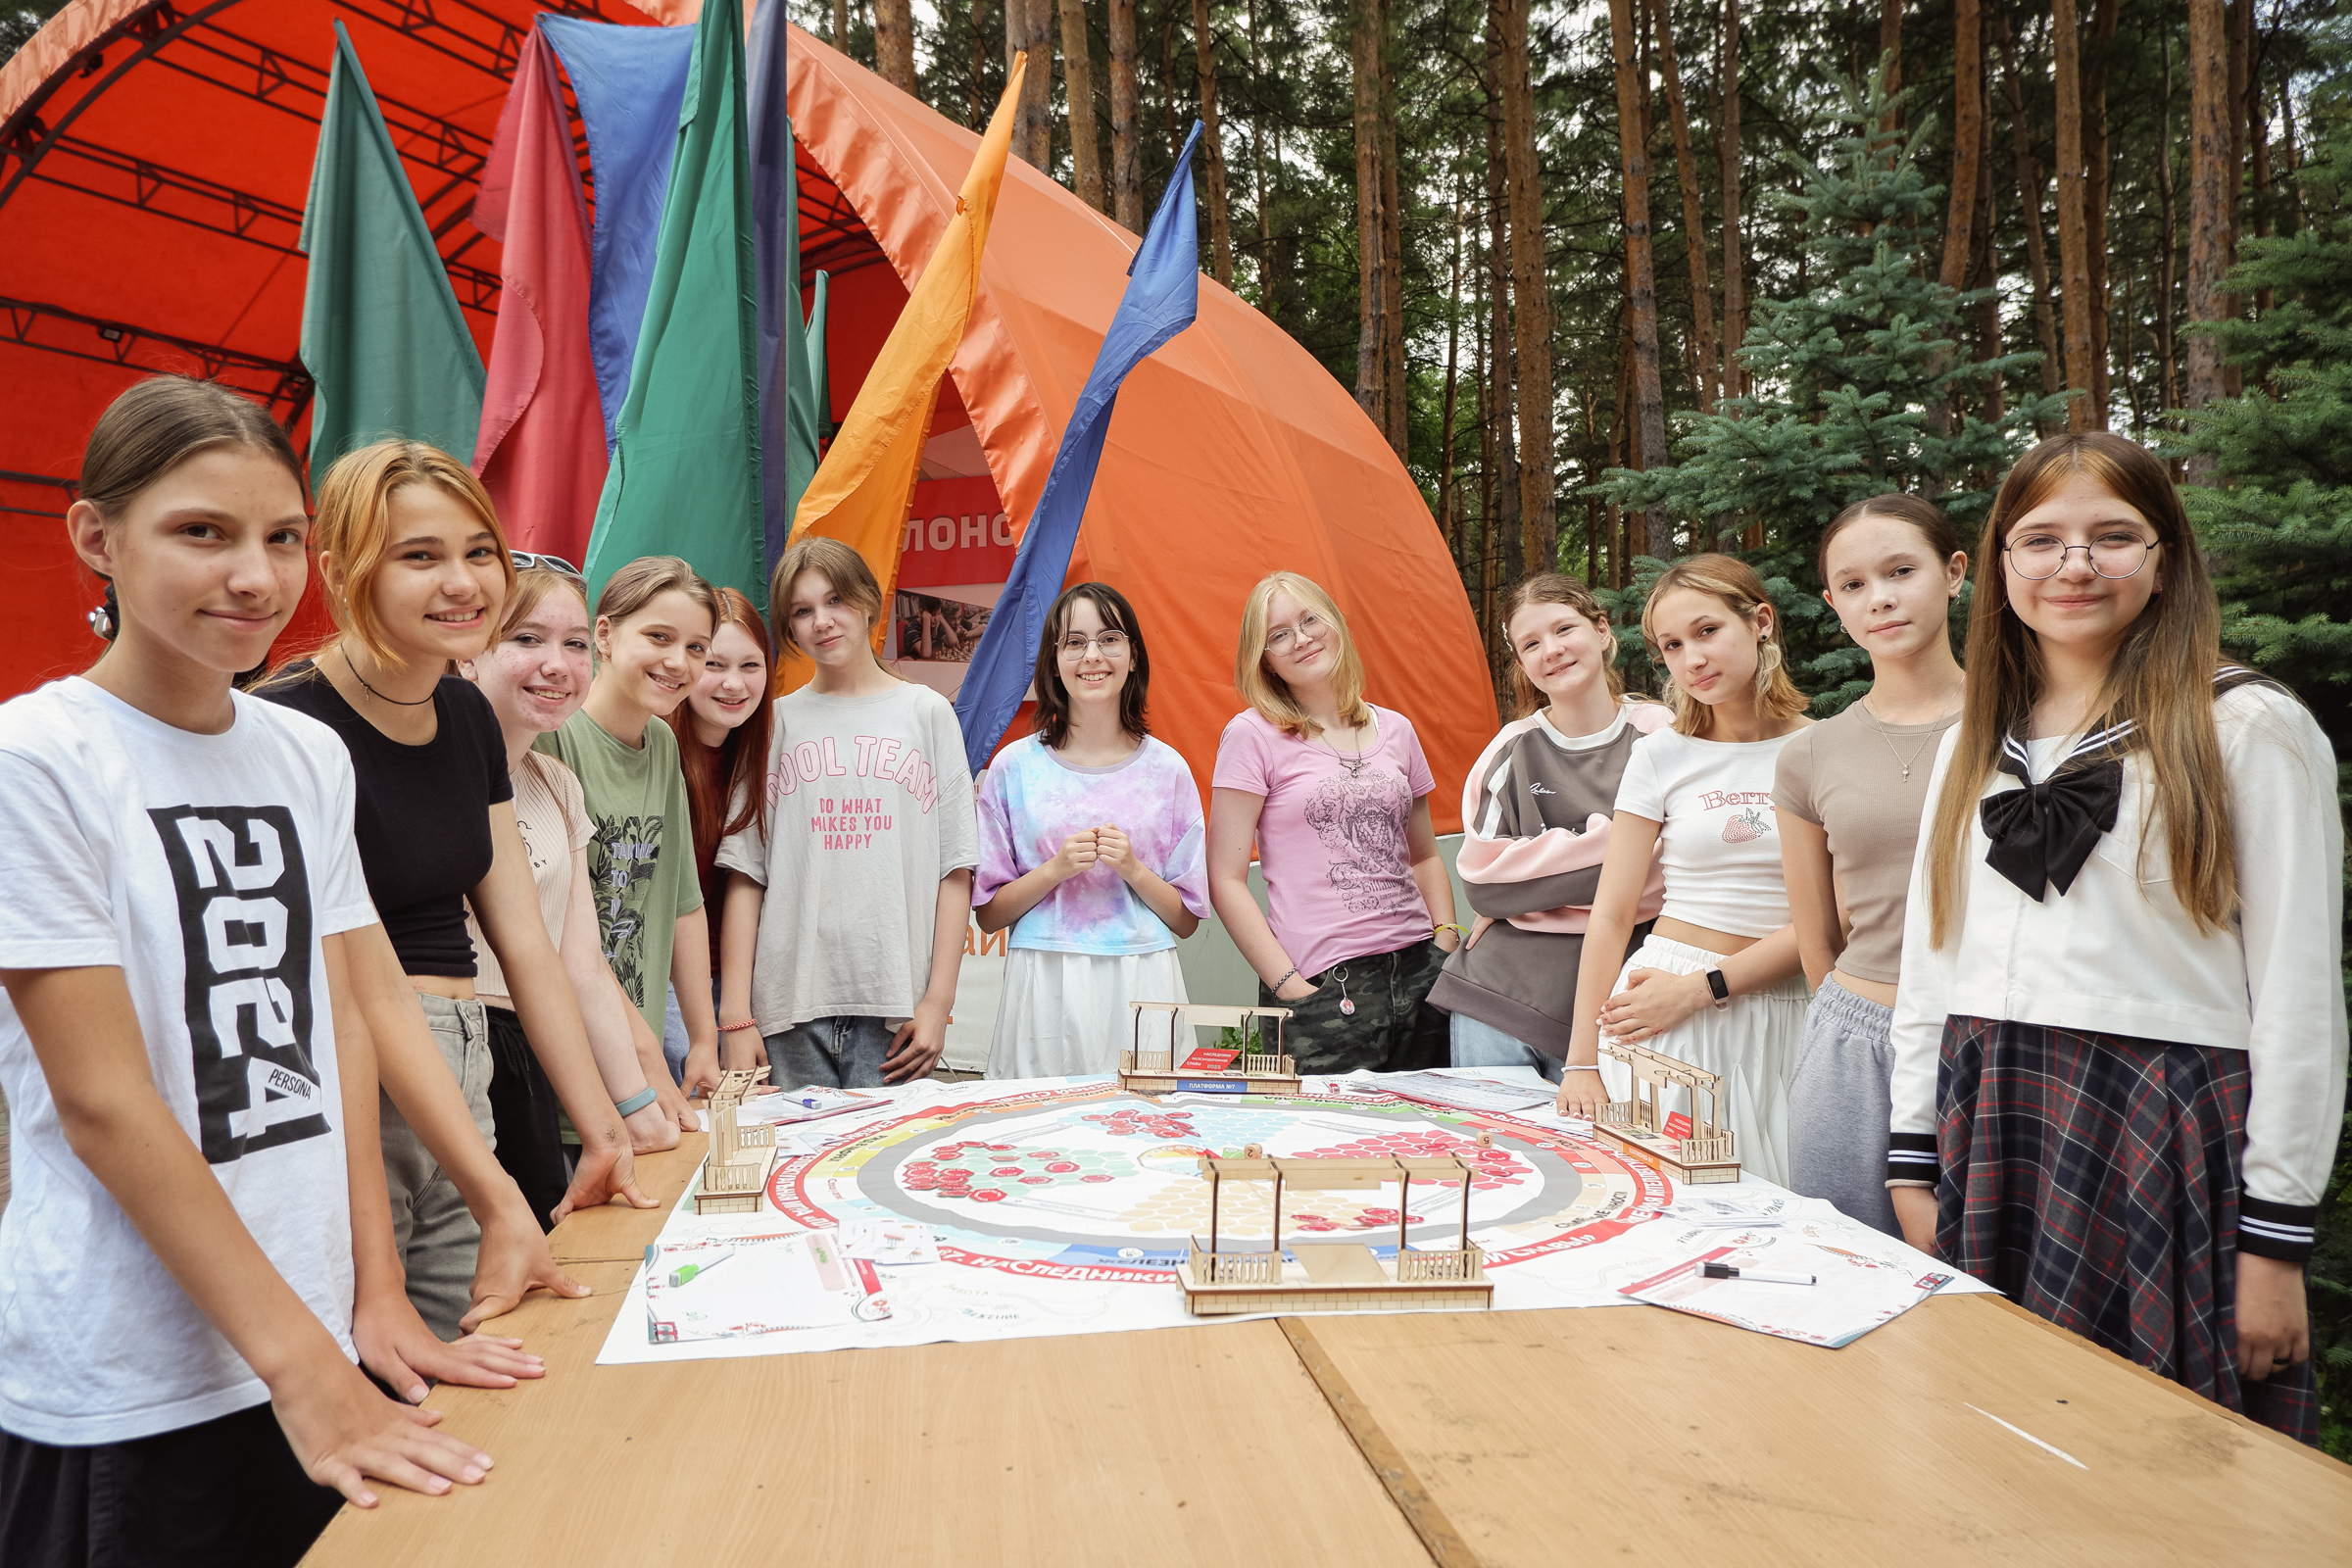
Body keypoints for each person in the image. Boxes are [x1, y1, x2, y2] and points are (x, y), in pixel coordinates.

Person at [0, 377, 543, 1567]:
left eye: (282, 537)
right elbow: (101, 1099)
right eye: (203, 532)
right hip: (137, 1380)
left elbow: (340, 1026)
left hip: (315, 1343)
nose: (254, 575)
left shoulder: (303, 754)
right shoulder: (37, 758)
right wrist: (303, 1367)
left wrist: (373, 1290)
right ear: (97, 537)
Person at [1889, 432, 2343, 1444]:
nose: (2075, 564)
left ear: (2166, 559)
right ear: (2000, 565)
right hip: (1992, 1118)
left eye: (2113, 536)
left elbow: (2300, 991)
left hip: (2157, 1129)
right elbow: (1932, 958)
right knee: (1998, 1440)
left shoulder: (2247, 726)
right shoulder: (1972, 741)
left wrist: (2274, 1241)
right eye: (2040, 539)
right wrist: (1912, 1162)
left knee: (2164, 1455)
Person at [260, 441, 644, 1339]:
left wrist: (602, 1129)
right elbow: (351, 988)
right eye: (420, 555)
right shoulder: (288, 725)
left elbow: (525, 939)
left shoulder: (464, 709)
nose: (464, 582)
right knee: (376, 1355)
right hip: (356, 1076)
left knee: (482, 1353)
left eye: (479, 551)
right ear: (341, 571)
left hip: (471, 1061)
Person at [1556, 555, 1812, 1188]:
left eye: (1707, 631)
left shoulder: (1821, 749)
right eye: (1671, 646)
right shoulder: (1659, 755)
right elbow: (1612, 915)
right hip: (1662, 1014)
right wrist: (1580, 1062)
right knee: (1668, 1204)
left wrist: (1704, 988)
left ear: (1760, 621)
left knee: (1786, 1212)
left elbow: (1835, 918)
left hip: (1785, 1010)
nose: (1691, 659)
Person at [461, 564, 697, 1227]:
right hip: (450, 1055)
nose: (557, 665)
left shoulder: (556, 785)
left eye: (573, 645)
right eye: (527, 639)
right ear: (470, 652)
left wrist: (632, 1111)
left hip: (531, 1062)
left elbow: (583, 966)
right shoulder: (435, 772)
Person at [1771, 497, 1968, 1239]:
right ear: (1833, 603)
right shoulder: (1809, 754)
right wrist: (1853, 1021)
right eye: (1853, 585)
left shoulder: (2027, 724)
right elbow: (1816, 933)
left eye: (1901, 571)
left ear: (1953, 574)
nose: (1879, 598)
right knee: (1846, 1261)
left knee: (1987, 1275)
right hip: (1853, 1046)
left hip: (1985, 1036)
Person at [717, 538, 977, 1089]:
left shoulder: (927, 713)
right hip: (787, 1010)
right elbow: (746, 874)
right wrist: (736, 1016)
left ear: (868, 602)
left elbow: (955, 869)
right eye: (802, 610)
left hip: (897, 1011)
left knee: (888, 1150)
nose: (822, 621)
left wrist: (938, 1003)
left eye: (834, 599)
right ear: (789, 628)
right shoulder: (772, 723)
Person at [1207, 572, 1459, 1074]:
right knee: (1322, 1127)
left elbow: (1425, 854)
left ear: (1336, 622)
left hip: (1421, 976)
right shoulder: (1251, 735)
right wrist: (1288, 986)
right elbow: (1224, 878)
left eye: (1310, 620)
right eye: (1279, 635)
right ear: (1264, 659)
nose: (1301, 639)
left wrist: (1445, 941)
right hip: (1324, 988)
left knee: (1429, 1122)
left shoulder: (1397, 729)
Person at [1429, 573, 1674, 1082]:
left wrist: (1534, 877)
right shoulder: (1511, 749)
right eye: (1531, 644)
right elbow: (1485, 887)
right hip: (1498, 996)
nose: (1552, 650)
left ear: (1602, 631)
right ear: (1522, 665)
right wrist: (1624, 846)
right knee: (1493, 1136)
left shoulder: (1659, 733)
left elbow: (1674, 868)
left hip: (1617, 1007)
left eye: (1564, 629)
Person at [973, 583, 1207, 1078]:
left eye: (1109, 639)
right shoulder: (1014, 768)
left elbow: (1186, 921)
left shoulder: (1168, 770)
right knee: (1039, 1121)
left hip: (1143, 979)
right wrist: (1055, 870)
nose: (1092, 655)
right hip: (1044, 978)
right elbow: (989, 915)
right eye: (1074, 642)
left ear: (1133, 656)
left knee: (1151, 1121)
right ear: (1053, 661)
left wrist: (1134, 869)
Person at [533, 557, 723, 1095]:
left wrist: (703, 1040)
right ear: (604, 635)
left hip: (645, 1056)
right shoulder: (553, 735)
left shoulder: (662, 742)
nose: (678, 662)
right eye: (659, 636)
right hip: (567, 1059)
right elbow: (551, 927)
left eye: (697, 647)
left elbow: (684, 902)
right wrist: (641, 1050)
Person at [661, 586, 772, 1086]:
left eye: (750, 666)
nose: (733, 683)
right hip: (662, 982)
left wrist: (736, 1010)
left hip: (741, 983)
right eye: (714, 664)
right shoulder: (654, 747)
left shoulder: (765, 755)